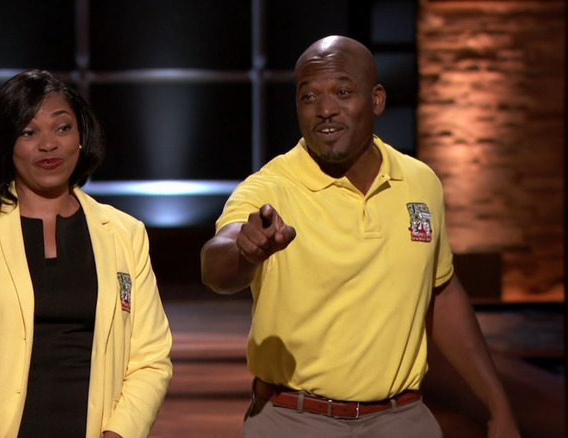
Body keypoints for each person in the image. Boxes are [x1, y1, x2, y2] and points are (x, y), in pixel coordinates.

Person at [200, 35, 520, 437]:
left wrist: (497, 404)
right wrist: (245, 253)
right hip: (294, 420)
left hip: (404, 419)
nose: (326, 109)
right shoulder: (270, 188)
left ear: (377, 100)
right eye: (309, 97)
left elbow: (440, 291)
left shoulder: (420, 183)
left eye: (343, 92)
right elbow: (217, 263)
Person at [0, 70, 173, 438]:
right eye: (29, 132)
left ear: (81, 137)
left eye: (62, 128)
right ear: (7, 143)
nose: (49, 145)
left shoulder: (125, 233)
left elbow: (150, 362)